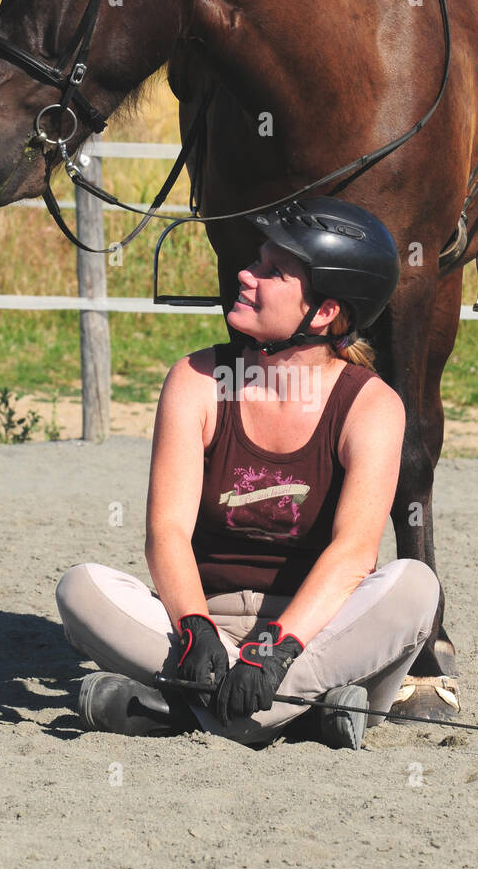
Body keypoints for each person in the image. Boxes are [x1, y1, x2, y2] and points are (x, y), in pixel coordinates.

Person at [55, 195, 445, 749]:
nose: (245, 274)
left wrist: (276, 649)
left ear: (325, 311)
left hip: (314, 633)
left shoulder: (372, 406)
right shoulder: (196, 380)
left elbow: (355, 552)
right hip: (199, 628)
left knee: (415, 587)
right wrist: (193, 628)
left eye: (272, 270)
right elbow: (166, 531)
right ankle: (304, 717)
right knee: (80, 589)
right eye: (256, 260)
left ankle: (179, 711)